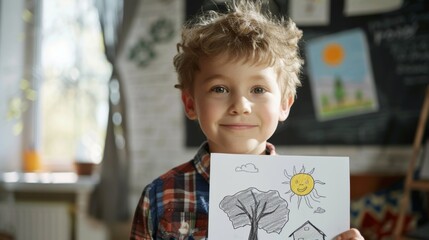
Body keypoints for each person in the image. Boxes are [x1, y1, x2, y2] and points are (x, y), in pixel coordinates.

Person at [130, 1, 364, 239]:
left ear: (284, 105)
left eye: (258, 90)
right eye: (219, 89)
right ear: (190, 104)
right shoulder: (160, 195)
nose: (240, 106)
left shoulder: (316, 200)